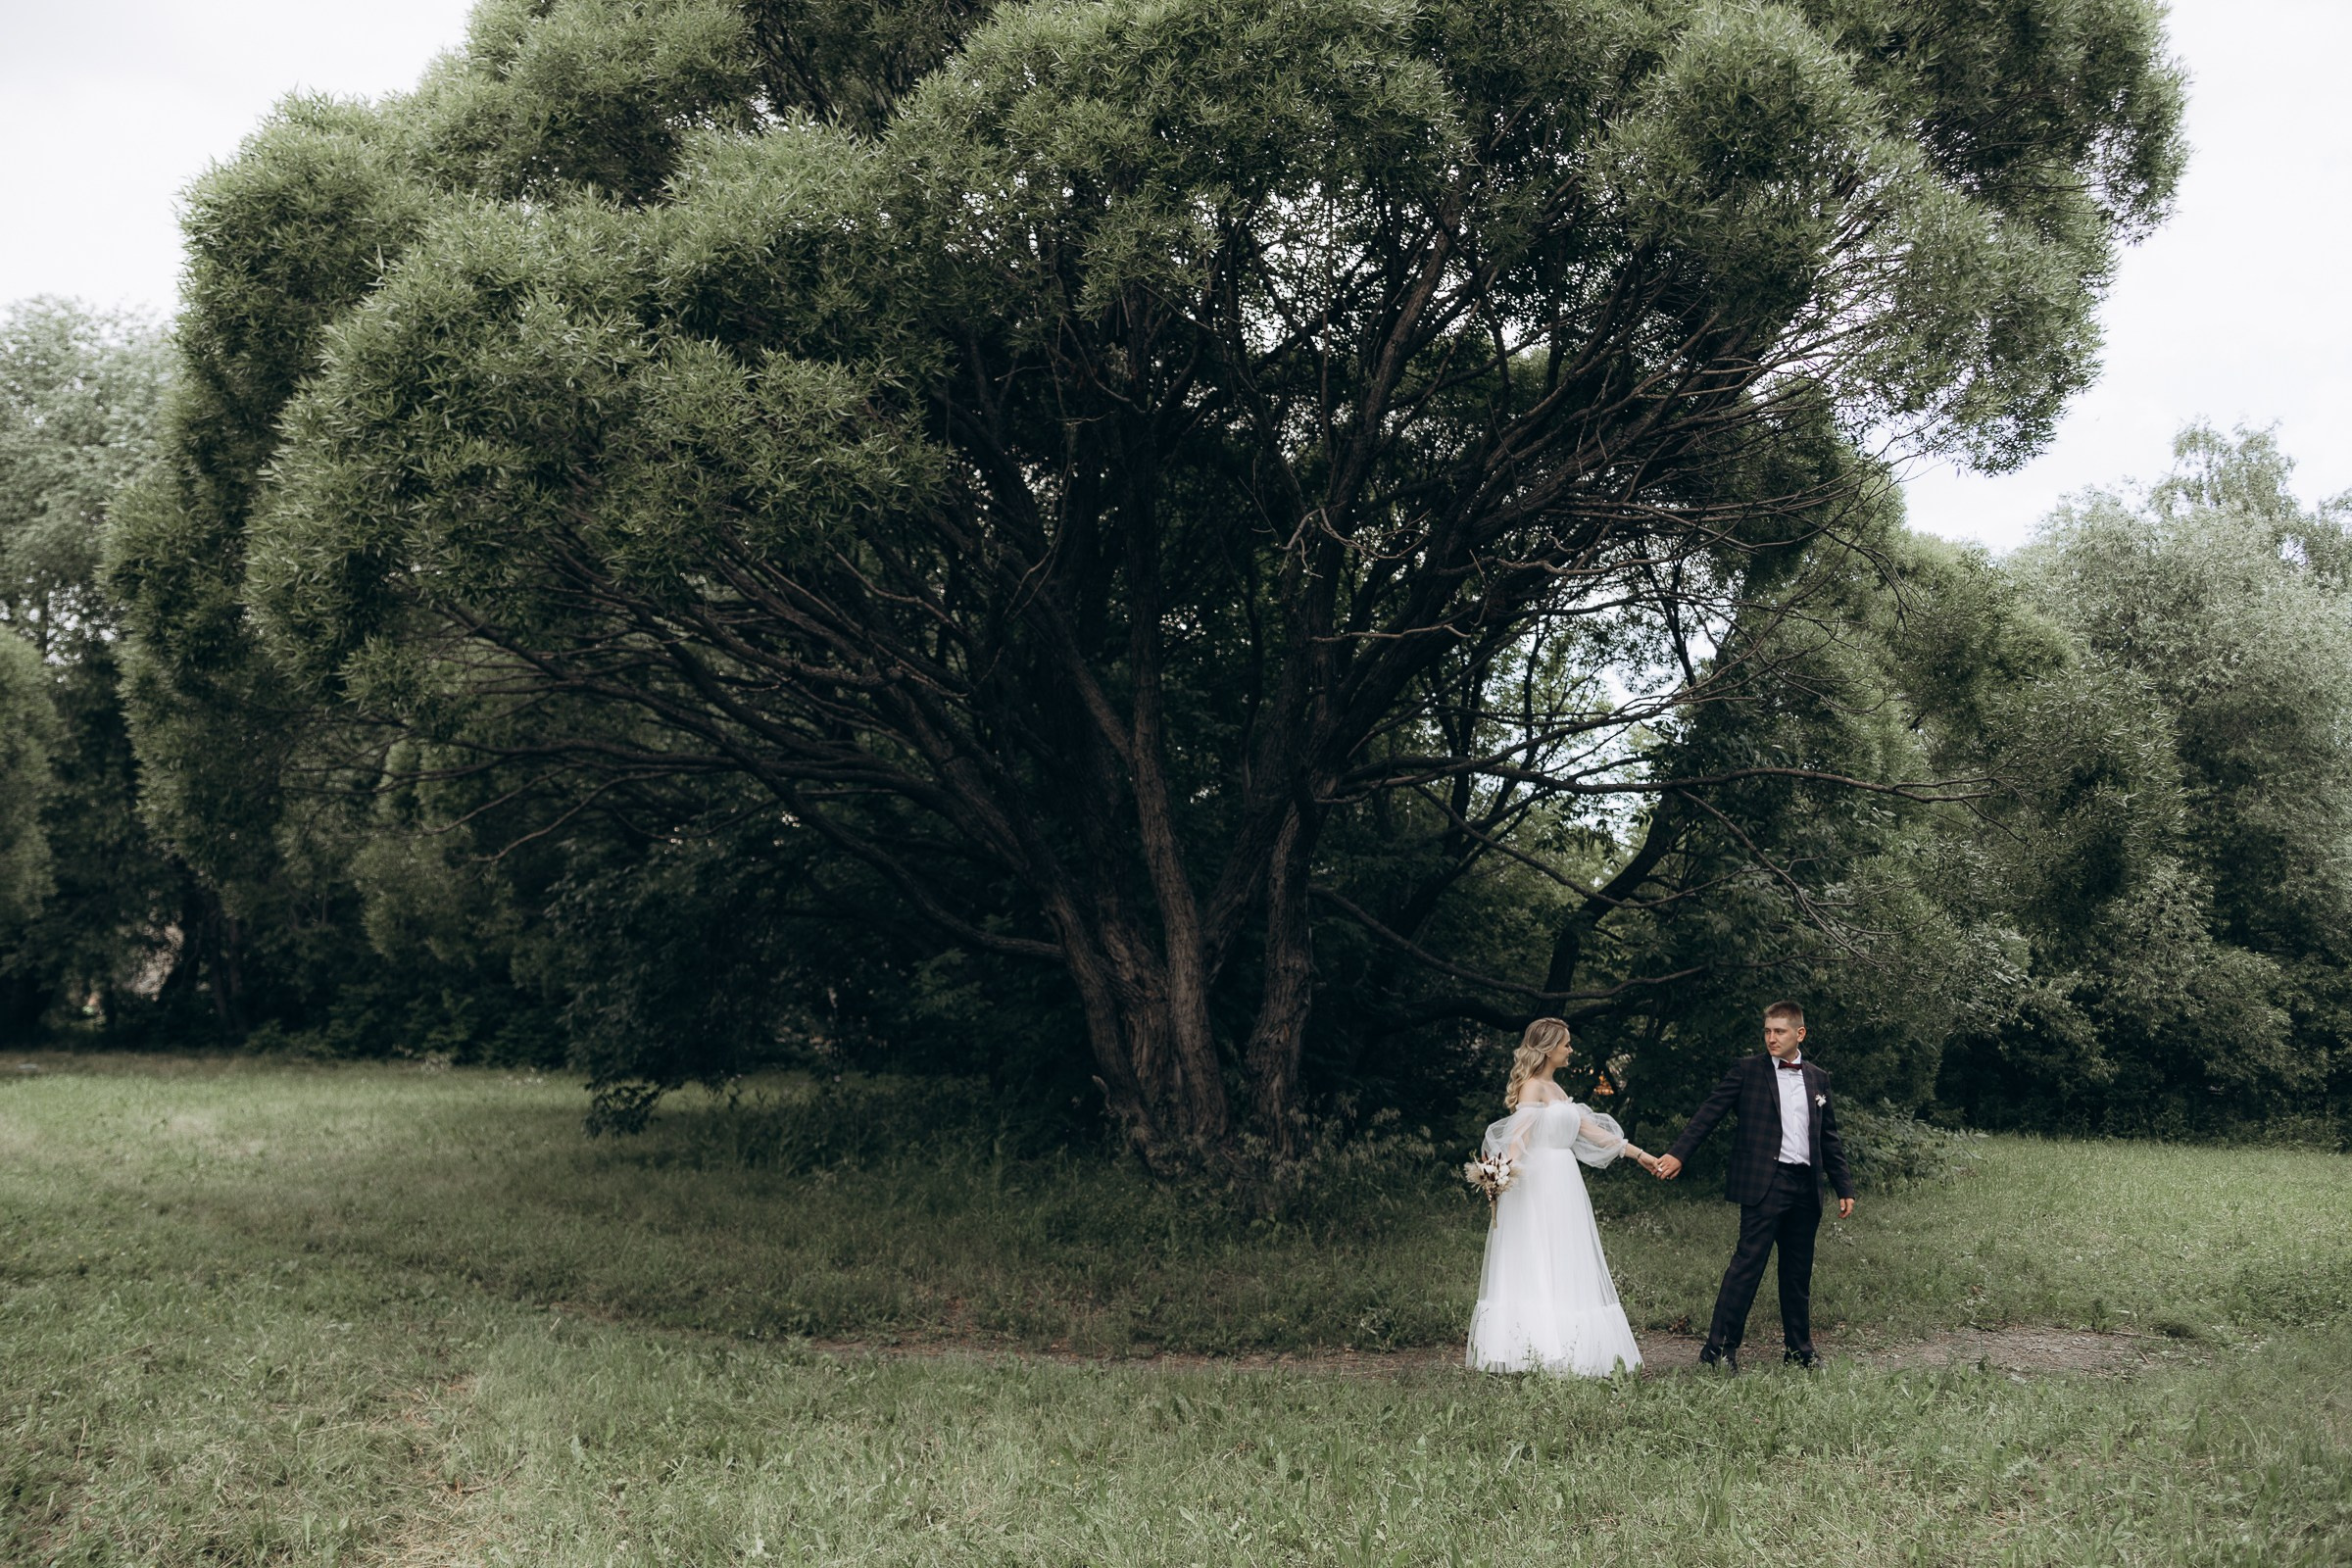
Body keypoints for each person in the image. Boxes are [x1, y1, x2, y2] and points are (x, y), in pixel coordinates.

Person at [1651, 1000, 1856, 1371]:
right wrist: (1679, 1154)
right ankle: (1718, 1351)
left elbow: (1829, 1137)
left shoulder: (1817, 1078)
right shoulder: (1747, 1071)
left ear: (1800, 1033)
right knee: (1747, 1267)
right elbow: (1708, 1113)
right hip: (1766, 1184)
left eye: (1779, 1031)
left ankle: (1799, 1351)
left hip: (1805, 1188)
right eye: (1767, 1031)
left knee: (1797, 1274)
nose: (1771, 1038)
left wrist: (1844, 1186)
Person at [1466, 1017, 1659, 1377]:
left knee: (1567, 1257)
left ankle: (1571, 1348)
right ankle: (1537, 1346)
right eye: (1566, 1044)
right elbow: (1517, 1140)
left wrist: (1641, 1155)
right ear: (1547, 1048)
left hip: (1564, 1181)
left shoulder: (1557, 1090)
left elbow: (1593, 1132)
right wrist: (1499, 1174)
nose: (1571, 1049)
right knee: (1540, 1255)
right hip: (1539, 1183)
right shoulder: (1531, 1087)